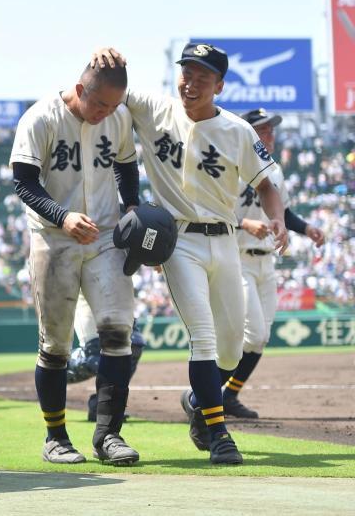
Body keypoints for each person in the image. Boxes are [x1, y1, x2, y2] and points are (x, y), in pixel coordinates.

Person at [94, 43, 287, 465]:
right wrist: (105, 57)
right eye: (186, 72)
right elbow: (109, 86)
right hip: (178, 240)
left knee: (232, 350)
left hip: (226, 239)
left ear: (218, 85)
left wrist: (279, 220)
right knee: (203, 334)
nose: (191, 82)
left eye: (203, 77)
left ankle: (199, 400)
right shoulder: (155, 108)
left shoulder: (238, 130)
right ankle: (218, 434)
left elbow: (268, 185)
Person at [10, 61, 142, 465]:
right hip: (54, 237)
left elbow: (126, 165)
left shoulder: (116, 116)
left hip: (104, 235)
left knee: (121, 335)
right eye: (99, 103)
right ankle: (56, 437)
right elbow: (23, 181)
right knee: (55, 347)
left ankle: (108, 436)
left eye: (113, 105)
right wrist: (61, 215)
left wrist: (132, 208)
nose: (106, 112)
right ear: (80, 90)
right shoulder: (40, 118)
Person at [223, 108, 325, 418]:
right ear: (249, 134)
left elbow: (284, 212)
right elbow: (214, 209)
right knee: (251, 334)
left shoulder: (274, 170)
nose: (270, 135)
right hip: (237, 258)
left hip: (266, 261)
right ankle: (203, 394)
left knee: (262, 336)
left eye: (271, 130)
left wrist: (305, 228)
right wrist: (244, 224)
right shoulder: (233, 165)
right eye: (263, 130)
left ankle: (228, 395)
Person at [67, 292, 145, 422]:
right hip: (89, 293)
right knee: (94, 356)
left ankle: (104, 404)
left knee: (134, 345)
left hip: (117, 293)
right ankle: (53, 376)